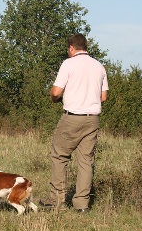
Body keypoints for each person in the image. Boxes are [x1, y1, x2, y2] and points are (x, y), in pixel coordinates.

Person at [40, 33, 109, 213]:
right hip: (93, 118)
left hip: (73, 117)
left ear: (71, 47)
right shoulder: (99, 66)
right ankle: (81, 204)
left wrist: (55, 99)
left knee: (60, 155)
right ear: (85, 46)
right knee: (86, 161)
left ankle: (57, 200)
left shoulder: (68, 64)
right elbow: (104, 97)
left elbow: (56, 92)